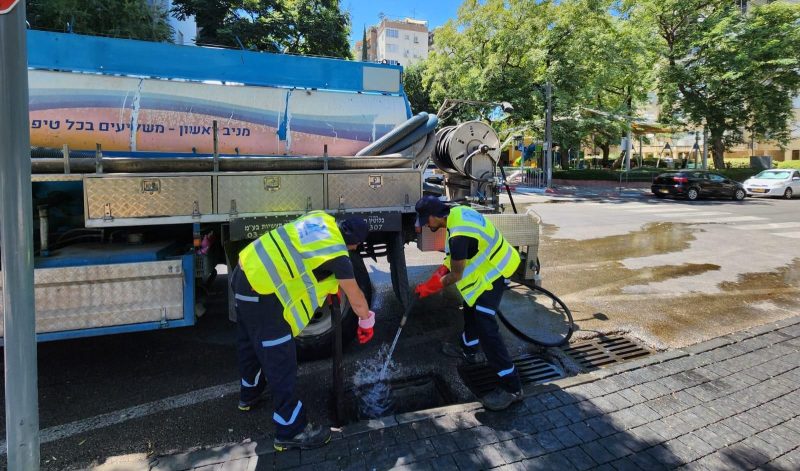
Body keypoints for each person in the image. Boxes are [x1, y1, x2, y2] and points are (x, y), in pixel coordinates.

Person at [231, 211, 375, 451]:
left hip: (244, 270)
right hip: (262, 289)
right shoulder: (339, 254)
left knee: (248, 341)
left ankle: (249, 394)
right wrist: (366, 321)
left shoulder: (322, 219)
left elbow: (306, 260)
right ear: (355, 244)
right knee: (281, 359)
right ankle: (290, 429)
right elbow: (357, 299)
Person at [414, 196, 523, 411]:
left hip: (495, 272)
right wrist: (434, 278)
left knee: (487, 328)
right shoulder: (457, 215)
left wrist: (430, 288)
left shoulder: (458, 235)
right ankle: (468, 350)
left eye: (426, 220)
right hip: (489, 266)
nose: (426, 224)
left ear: (436, 216)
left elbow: (456, 274)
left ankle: (512, 387)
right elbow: (452, 260)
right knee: (471, 309)